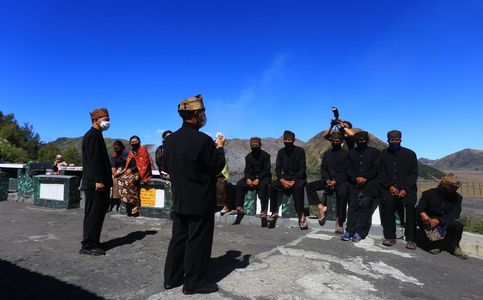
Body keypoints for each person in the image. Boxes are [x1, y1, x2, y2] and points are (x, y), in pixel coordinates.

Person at [163, 94, 226, 295]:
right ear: (197, 113)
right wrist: (220, 149)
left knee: (179, 238)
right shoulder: (204, 141)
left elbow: (165, 166)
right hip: (200, 199)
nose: (204, 116)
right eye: (203, 113)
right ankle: (194, 282)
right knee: (198, 240)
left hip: (180, 198)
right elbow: (217, 166)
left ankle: (171, 278)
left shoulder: (170, 141)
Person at [79, 108, 113, 256]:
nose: (107, 122)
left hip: (100, 183)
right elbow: (94, 162)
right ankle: (88, 245)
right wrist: (97, 181)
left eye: (108, 119)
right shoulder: (92, 136)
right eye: (105, 119)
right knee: (93, 214)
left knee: (98, 214)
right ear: (96, 120)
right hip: (95, 184)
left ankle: (94, 241)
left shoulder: (97, 135)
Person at [379, 130, 418, 250]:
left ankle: (411, 239)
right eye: (392, 140)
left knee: (410, 214)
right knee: (388, 212)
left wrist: (405, 189)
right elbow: (381, 172)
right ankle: (390, 237)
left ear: (401, 139)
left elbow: (413, 174)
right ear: (388, 140)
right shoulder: (383, 154)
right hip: (389, 190)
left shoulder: (410, 154)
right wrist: (390, 186)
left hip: (408, 190)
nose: (394, 141)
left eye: (396, 139)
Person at [306, 131, 349, 233]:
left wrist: (336, 181)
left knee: (342, 194)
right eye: (334, 140)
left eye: (337, 141)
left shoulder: (346, 154)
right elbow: (323, 169)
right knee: (309, 186)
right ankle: (321, 207)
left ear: (341, 141)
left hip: (341, 181)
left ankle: (339, 222)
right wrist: (327, 180)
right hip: (328, 180)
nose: (335, 142)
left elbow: (347, 171)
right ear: (331, 141)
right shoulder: (327, 154)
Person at [416, 174, 467, 259]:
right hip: (429, 220)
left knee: (457, 224)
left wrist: (439, 220)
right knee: (421, 219)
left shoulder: (457, 198)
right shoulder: (429, 194)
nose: (455, 190)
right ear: (444, 187)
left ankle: (454, 246)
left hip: (445, 221)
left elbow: (454, 214)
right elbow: (419, 208)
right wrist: (423, 214)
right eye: (452, 188)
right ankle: (433, 243)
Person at [342, 131, 381, 242]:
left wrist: (365, 178)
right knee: (352, 209)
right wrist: (356, 178)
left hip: (369, 186)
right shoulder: (351, 153)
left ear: (367, 140)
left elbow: (376, 168)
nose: (360, 142)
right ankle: (349, 231)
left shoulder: (375, 153)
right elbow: (348, 168)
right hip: (354, 186)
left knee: (365, 209)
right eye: (358, 140)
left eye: (363, 140)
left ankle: (359, 232)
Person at [268, 130, 307, 230]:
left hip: (298, 178)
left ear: (293, 140)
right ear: (283, 140)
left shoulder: (300, 151)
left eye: (290, 139)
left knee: (298, 188)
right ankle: (273, 212)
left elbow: (302, 169)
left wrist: (294, 180)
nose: (287, 141)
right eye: (285, 139)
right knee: (272, 186)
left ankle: (301, 216)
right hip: (285, 178)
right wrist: (281, 180)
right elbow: (277, 169)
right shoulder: (281, 152)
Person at [233, 137, 271, 227]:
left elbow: (267, 170)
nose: (254, 147)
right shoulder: (248, 157)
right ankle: (239, 207)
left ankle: (263, 210)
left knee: (264, 186)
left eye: (256, 145)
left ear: (260, 145)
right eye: (252, 145)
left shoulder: (266, 156)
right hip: (252, 177)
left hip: (264, 177)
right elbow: (246, 170)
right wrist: (248, 179)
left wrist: (258, 179)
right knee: (239, 184)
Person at [117, 136, 153, 217]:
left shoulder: (142, 149)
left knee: (129, 181)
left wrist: (132, 169)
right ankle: (128, 201)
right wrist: (125, 170)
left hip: (142, 171)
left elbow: (144, 163)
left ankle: (135, 204)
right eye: (132, 142)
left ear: (139, 141)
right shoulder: (132, 151)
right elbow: (128, 162)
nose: (134, 143)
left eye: (135, 141)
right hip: (133, 171)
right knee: (121, 179)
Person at [109, 140, 127, 212]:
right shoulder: (114, 155)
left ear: (121, 147)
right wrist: (114, 173)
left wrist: (120, 173)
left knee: (118, 181)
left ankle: (119, 202)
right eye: (115, 148)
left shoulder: (126, 154)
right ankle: (112, 201)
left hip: (125, 170)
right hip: (117, 171)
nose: (116, 149)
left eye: (117, 148)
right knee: (113, 180)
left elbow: (127, 166)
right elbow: (113, 166)